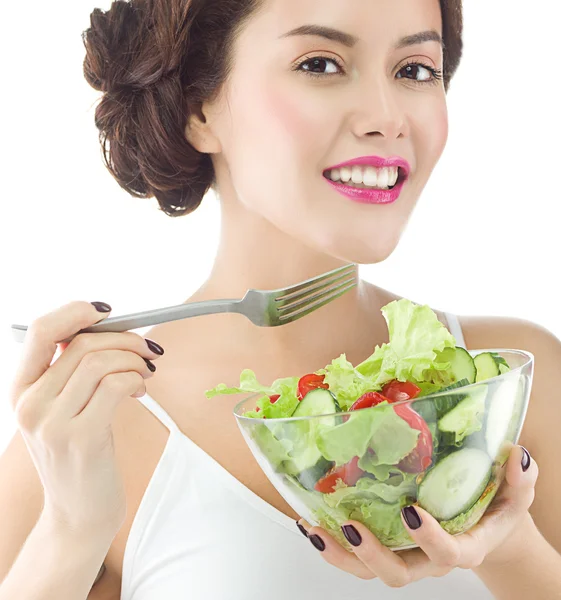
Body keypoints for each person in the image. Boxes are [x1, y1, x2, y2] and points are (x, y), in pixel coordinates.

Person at [1, 0, 561, 598]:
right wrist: (71, 529)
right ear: (198, 108)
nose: (386, 117)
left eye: (416, 70)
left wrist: (512, 552)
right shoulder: (89, 427)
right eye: (320, 64)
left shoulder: (518, 379)